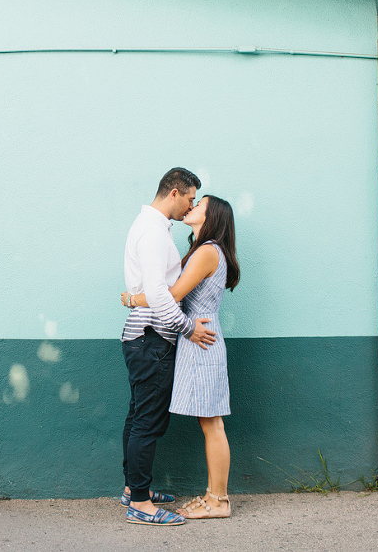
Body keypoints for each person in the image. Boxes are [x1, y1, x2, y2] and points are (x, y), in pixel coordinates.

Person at [122, 193, 240, 520]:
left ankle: (218, 500)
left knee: (212, 422)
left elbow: (172, 295)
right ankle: (212, 496)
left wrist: (133, 299)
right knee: (208, 421)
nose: (191, 207)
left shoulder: (207, 251)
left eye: (198, 204)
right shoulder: (203, 249)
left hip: (201, 338)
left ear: (212, 216)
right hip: (195, 337)